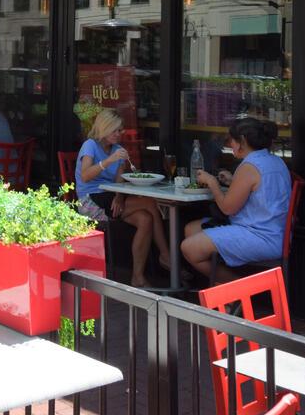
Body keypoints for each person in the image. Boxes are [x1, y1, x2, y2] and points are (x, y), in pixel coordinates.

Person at [181, 117, 291, 284]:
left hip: (259, 236)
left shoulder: (249, 167)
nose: (229, 144)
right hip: (277, 233)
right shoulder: (275, 160)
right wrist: (233, 182)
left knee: (188, 248)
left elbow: (227, 208)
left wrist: (212, 183)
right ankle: (222, 290)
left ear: (242, 141)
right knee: (191, 229)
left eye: (231, 139)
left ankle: (240, 290)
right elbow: (262, 190)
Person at [76, 110, 167, 289]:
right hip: (90, 200)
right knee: (150, 203)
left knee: (145, 218)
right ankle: (166, 255)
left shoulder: (117, 150)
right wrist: (109, 161)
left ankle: (137, 277)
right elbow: (85, 176)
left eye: (120, 130)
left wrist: (119, 197)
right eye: (115, 130)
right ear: (105, 128)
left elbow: (118, 180)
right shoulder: (90, 145)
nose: (119, 134)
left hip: (110, 197)